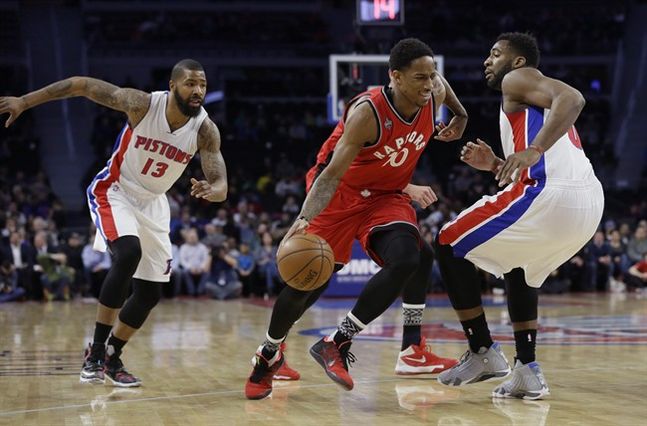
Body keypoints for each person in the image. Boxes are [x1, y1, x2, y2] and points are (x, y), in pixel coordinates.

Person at [245, 38, 467, 400]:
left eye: (432, 76)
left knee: (414, 257)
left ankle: (354, 342)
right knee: (310, 280)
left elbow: (446, 92)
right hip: (338, 190)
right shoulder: (367, 112)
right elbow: (332, 174)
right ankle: (267, 356)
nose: (428, 85)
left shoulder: (434, 92)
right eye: (419, 78)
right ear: (394, 76)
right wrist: (303, 218)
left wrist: (461, 115)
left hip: (384, 195)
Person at [0, 59, 228, 386]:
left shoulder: (205, 130)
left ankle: (112, 356)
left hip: (154, 204)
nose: (199, 91)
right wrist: (25, 101)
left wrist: (212, 189)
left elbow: (221, 183)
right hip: (116, 190)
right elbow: (81, 84)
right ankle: (93, 353)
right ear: (173, 85)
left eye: (203, 84)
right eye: (191, 83)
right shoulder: (142, 104)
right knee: (128, 252)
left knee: (149, 294)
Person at [434, 33, 604, 400]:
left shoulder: (518, 80)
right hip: (587, 205)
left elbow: (574, 98)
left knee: (447, 242)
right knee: (519, 266)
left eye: (495, 54)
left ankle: (482, 351)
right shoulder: (532, 102)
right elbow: (535, 161)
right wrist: (496, 163)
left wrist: (533, 149)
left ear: (518, 62)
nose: (487, 61)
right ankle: (527, 368)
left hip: (551, 195)